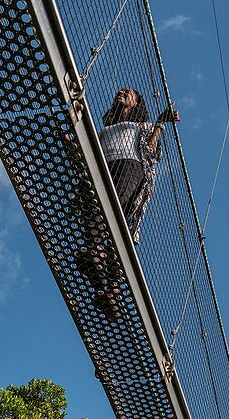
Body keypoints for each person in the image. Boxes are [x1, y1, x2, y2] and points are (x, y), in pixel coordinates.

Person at [74, 87, 180, 320]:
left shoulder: (142, 127)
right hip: (104, 167)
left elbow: (152, 152)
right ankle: (102, 267)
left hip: (130, 168)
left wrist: (160, 123)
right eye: (121, 91)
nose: (122, 92)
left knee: (118, 216)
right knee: (92, 205)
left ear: (137, 103)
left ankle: (109, 278)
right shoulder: (104, 129)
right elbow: (88, 152)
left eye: (129, 92)